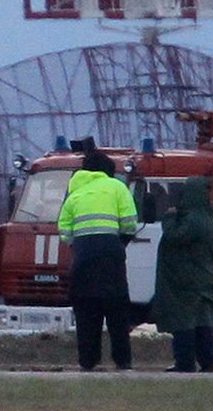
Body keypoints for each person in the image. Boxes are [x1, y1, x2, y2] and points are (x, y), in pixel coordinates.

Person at [57, 150, 138, 371]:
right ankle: (122, 361)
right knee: (117, 312)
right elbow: (130, 222)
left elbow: (64, 231)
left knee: (85, 313)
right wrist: (120, 241)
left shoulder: (75, 194)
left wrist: (82, 242)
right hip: (111, 254)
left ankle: (88, 361)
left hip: (83, 257)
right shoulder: (117, 188)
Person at [153, 176, 213, 372]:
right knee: (203, 320)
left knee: (183, 320)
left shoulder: (192, 220)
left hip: (186, 279)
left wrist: (168, 217)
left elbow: (174, 236)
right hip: (207, 277)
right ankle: (208, 361)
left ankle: (184, 362)